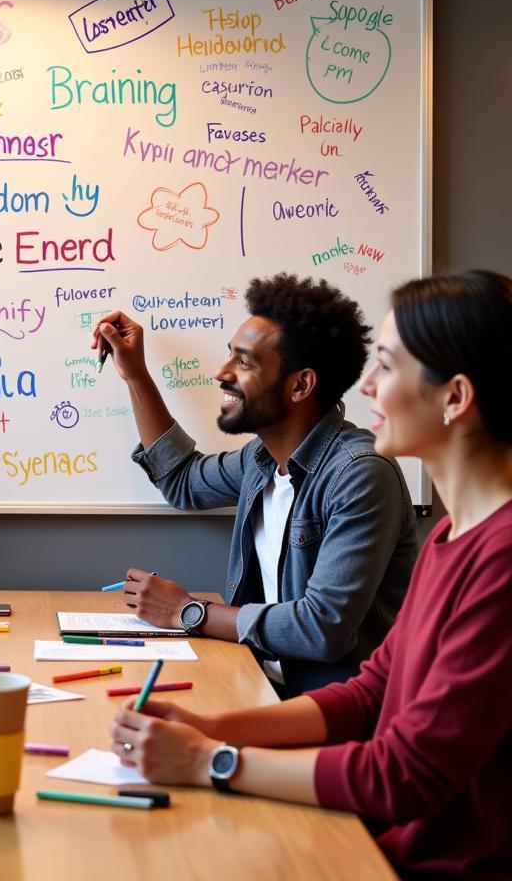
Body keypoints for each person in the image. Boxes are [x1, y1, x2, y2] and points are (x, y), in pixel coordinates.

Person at [109, 269, 512, 879]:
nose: (368, 386)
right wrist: (210, 726)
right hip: (383, 826)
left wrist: (212, 760)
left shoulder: (495, 555)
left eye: (388, 365)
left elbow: (406, 770)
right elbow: (371, 691)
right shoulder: (451, 539)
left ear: (454, 398)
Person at [94, 274, 417, 695]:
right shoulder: (260, 460)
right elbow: (182, 479)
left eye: (243, 362)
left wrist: (189, 612)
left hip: (332, 715)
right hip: (258, 683)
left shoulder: (359, 473)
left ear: (300, 385)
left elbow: (323, 628)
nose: (221, 372)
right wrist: (135, 374)